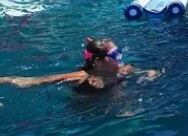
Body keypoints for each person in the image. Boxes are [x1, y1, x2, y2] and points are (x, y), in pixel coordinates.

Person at [0, 37, 159, 93]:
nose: (119, 58)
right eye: (114, 55)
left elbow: (152, 72)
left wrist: (150, 74)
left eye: (119, 53)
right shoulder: (81, 77)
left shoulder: (125, 69)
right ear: (98, 62)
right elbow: (32, 81)